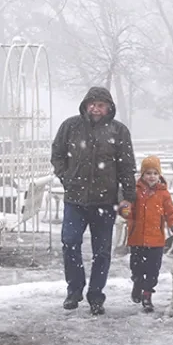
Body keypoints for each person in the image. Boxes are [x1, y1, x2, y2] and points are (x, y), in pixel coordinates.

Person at [51, 86, 136, 315]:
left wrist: (128, 198)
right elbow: (57, 154)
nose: (95, 108)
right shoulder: (71, 127)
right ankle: (74, 289)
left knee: (102, 252)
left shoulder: (119, 131)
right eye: (92, 104)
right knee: (70, 242)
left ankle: (96, 295)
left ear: (108, 107)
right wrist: (66, 177)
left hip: (105, 202)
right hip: (75, 200)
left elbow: (127, 167)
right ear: (85, 105)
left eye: (100, 105)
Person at [125, 156, 173, 313]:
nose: (151, 176)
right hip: (137, 239)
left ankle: (147, 295)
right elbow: (127, 211)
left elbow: (171, 212)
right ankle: (137, 283)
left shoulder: (163, 194)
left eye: (155, 173)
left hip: (156, 241)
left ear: (159, 175)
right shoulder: (135, 192)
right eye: (148, 173)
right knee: (136, 268)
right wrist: (124, 207)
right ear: (142, 175)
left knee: (153, 271)